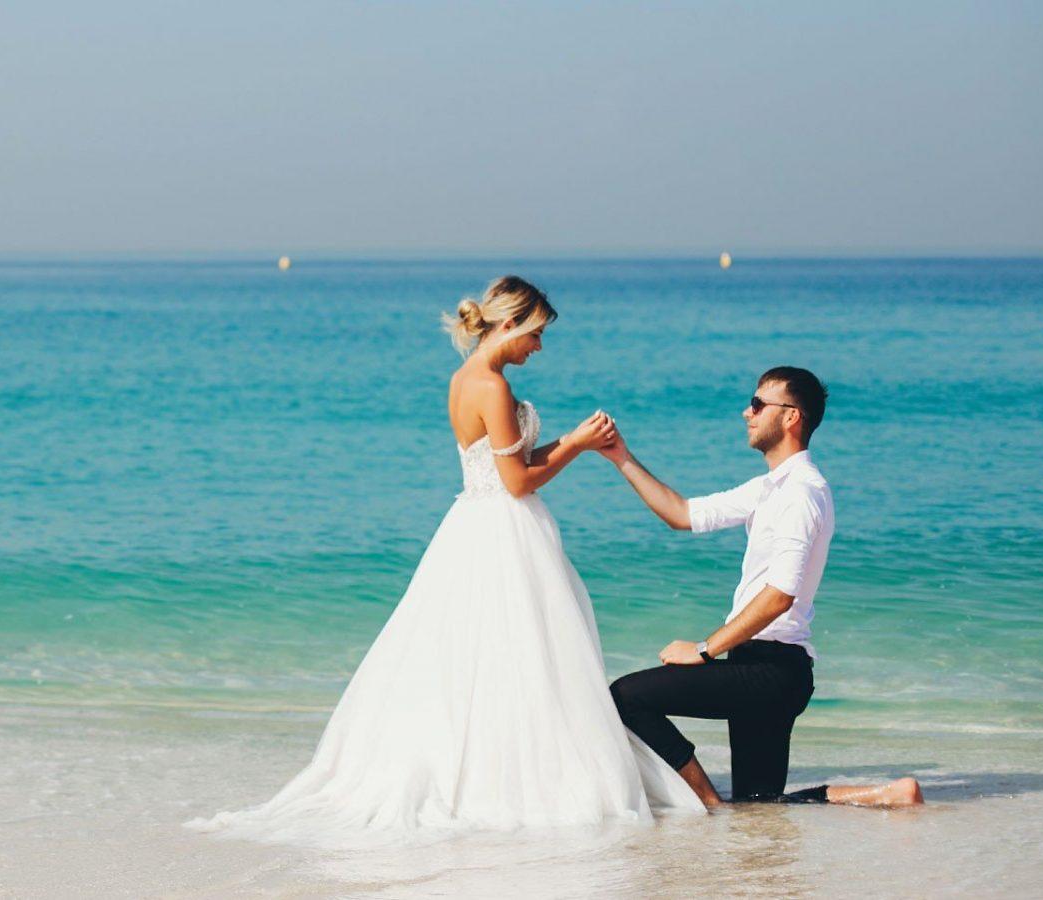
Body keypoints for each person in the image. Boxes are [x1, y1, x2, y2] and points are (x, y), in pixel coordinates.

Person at [188, 276, 703, 847]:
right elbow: (517, 482)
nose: (538, 347)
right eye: (534, 335)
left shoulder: (465, 379)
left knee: (480, 660)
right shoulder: (492, 387)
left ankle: (490, 764)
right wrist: (579, 445)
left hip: (471, 527)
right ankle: (515, 780)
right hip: (505, 532)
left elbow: (503, 460)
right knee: (524, 657)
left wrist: (567, 439)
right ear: (509, 325)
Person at [600, 367, 923, 808]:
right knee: (759, 801)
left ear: (791, 417)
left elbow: (779, 595)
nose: (745, 413)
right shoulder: (771, 488)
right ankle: (889, 794)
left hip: (771, 670)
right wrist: (621, 456)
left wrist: (702, 650)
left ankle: (709, 805)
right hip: (766, 666)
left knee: (625, 697)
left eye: (757, 404)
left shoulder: (802, 493)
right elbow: (682, 513)